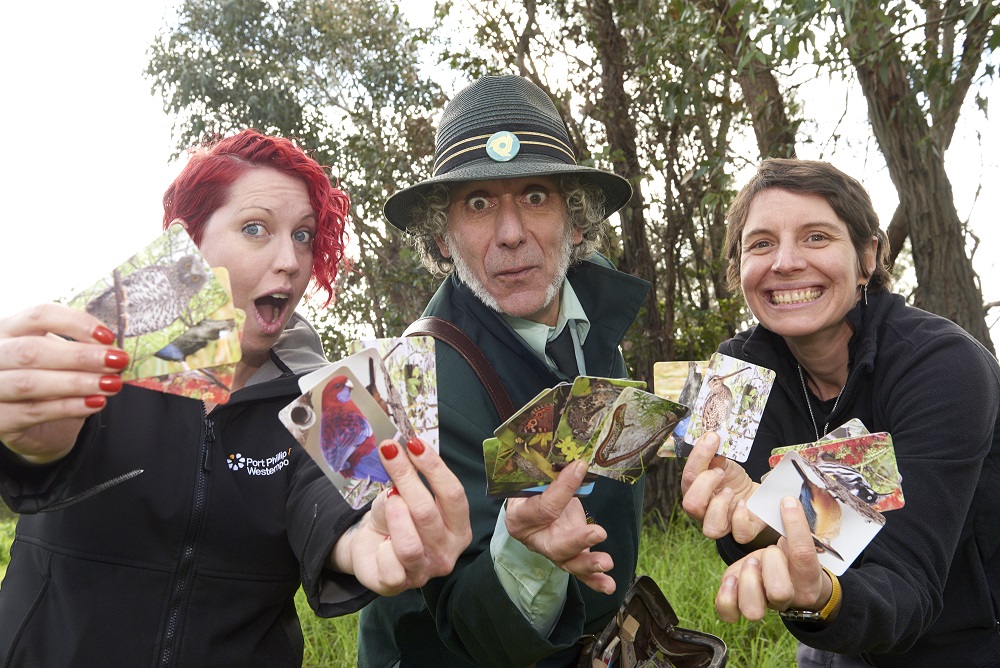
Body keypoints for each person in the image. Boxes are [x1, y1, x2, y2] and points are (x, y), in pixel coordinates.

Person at [0, 130, 471, 666]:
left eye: (303, 236)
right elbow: (37, 449)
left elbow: (340, 508)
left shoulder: (328, 399)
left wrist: (368, 539)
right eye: (256, 228)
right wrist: (32, 443)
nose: (291, 261)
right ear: (188, 241)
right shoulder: (95, 357)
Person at [357, 75, 651, 667]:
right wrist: (529, 554)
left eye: (536, 195)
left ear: (576, 220)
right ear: (442, 236)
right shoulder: (407, 388)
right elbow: (460, 625)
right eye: (480, 202)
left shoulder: (596, 335)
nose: (512, 233)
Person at [680, 158, 1000, 667]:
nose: (784, 262)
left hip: (966, 635)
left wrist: (822, 596)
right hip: (833, 630)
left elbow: (908, 580)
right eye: (760, 243)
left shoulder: (945, 366)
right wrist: (758, 526)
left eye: (816, 237)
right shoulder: (734, 376)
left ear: (868, 255)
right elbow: (757, 535)